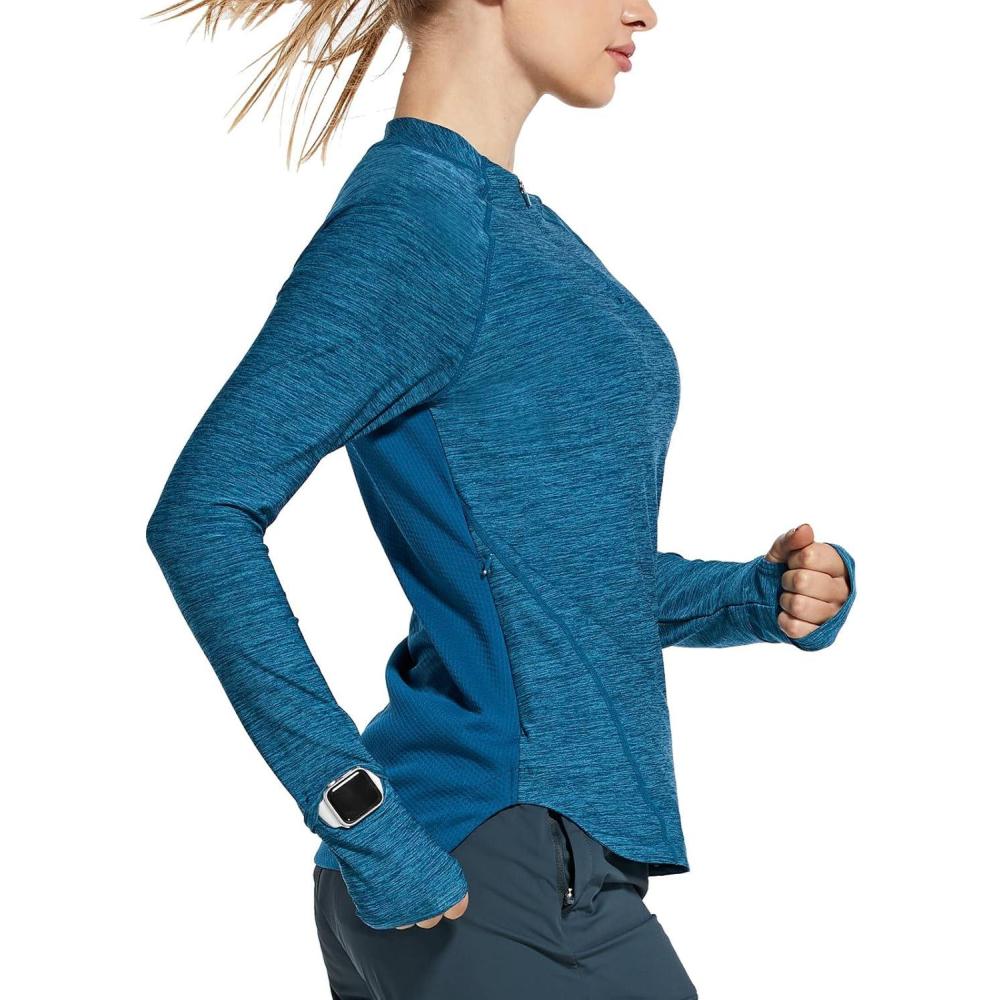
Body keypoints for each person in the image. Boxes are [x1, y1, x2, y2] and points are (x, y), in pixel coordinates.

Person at [144, 2, 857, 997]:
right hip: (495, 872)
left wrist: (752, 596)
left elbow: (549, 576)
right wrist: (360, 816)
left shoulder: (502, 222)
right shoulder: (416, 224)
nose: (645, 10)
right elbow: (203, 515)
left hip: (513, 867)